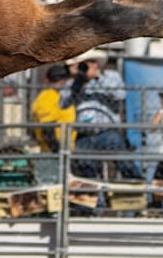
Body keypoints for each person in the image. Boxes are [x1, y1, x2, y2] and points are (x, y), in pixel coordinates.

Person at [59, 49, 143, 180]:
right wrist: (76, 82)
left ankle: (135, 192)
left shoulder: (110, 76)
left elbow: (121, 95)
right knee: (84, 170)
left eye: (87, 63)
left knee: (125, 164)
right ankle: (94, 199)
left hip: (108, 131)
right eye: (81, 64)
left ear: (95, 64)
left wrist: (98, 78)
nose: (84, 67)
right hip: (84, 134)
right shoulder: (75, 82)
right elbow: (63, 104)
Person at [31, 63, 75, 183]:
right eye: (56, 79)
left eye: (62, 78)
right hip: (52, 151)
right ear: (47, 80)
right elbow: (47, 130)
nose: (60, 81)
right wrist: (58, 152)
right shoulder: (46, 97)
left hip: (65, 148)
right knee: (53, 184)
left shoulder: (59, 96)